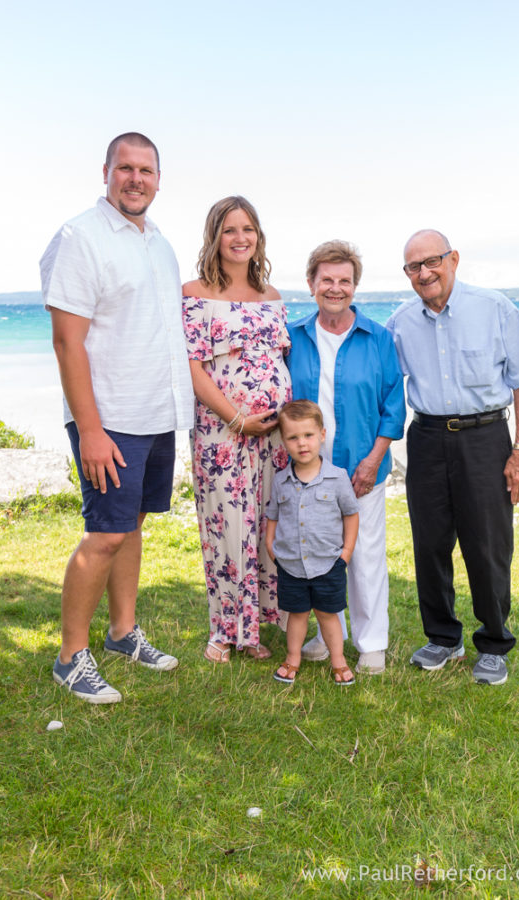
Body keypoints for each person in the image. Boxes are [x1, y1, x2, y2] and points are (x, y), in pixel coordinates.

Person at [40, 132, 194, 704]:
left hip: (156, 413)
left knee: (131, 526)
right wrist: (92, 430)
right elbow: (67, 342)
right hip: (110, 417)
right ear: (105, 171)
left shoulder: (159, 243)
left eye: (146, 170)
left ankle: (123, 632)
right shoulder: (79, 237)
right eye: (125, 168)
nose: (136, 179)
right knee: (104, 534)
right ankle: (70, 657)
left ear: (158, 178)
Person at [386, 229, 519, 685]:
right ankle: (443, 638)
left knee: (488, 545)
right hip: (426, 438)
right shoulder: (400, 322)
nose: (424, 273)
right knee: (430, 543)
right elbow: (378, 377)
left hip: (485, 438)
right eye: (413, 267)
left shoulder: (494, 308)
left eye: (431, 261)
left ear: (453, 259)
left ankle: (494, 642)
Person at [287, 241, 405, 674]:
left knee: (366, 554)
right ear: (311, 284)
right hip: (307, 471)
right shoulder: (293, 336)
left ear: (355, 286)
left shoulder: (378, 338)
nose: (335, 288)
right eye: (327, 280)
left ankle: (371, 641)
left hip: (361, 468)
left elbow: (394, 406)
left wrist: (373, 461)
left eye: (344, 281)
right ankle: (321, 633)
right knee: (314, 554)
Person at [182, 196, 292, 663]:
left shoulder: (273, 297)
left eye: (248, 228)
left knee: (268, 523)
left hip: (272, 433)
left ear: (258, 236)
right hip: (222, 431)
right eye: (230, 229)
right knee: (226, 524)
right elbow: (195, 368)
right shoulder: (194, 293)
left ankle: (255, 628)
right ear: (215, 236)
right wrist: (236, 417)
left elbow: (281, 359)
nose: (240, 237)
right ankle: (224, 630)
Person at [266, 401, 359, 684]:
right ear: (284, 442)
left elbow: (351, 514)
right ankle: (292, 658)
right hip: (291, 564)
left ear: (322, 434)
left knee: (328, 614)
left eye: (308, 435)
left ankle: (338, 661)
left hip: (328, 562)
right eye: (293, 437)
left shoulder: (338, 478)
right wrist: (271, 544)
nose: (301, 443)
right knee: (297, 614)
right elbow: (273, 515)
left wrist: (346, 553)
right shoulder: (281, 480)